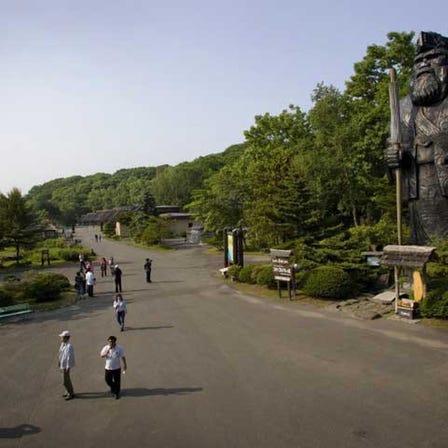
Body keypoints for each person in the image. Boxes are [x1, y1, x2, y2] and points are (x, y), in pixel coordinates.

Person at [386, 31, 448, 244]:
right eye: (419, 60)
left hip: (445, 187)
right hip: (417, 190)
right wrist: (394, 158)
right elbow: (393, 157)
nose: (424, 64)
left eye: (431, 58)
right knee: (422, 248)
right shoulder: (403, 109)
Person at [58, 330, 75, 400]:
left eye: (62, 337)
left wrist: (68, 367)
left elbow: (69, 357)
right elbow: (60, 354)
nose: (61, 338)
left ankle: (71, 393)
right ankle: (68, 391)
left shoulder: (69, 346)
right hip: (62, 365)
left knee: (65, 381)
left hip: (65, 366)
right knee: (65, 380)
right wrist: (59, 362)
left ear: (65, 338)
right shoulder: (63, 344)